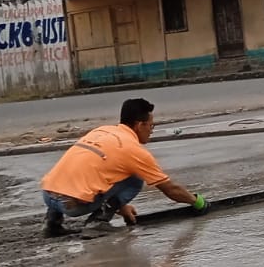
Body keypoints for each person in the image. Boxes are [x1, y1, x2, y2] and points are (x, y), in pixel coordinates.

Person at [39, 98, 207, 238]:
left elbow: (97, 175)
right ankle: (97, 223)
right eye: (151, 126)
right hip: (72, 206)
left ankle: (52, 224)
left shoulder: (101, 131)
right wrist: (197, 202)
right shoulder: (133, 150)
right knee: (135, 179)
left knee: (75, 169)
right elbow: (170, 189)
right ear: (139, 125)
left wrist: (121, 207)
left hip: (48, 195)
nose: (151, 131)